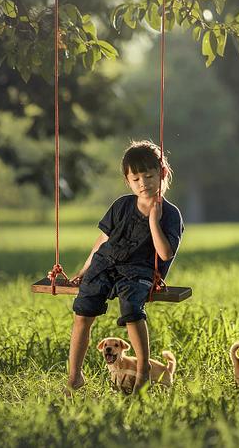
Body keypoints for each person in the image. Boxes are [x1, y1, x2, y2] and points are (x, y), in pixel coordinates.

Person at [66, 140, 184, 393]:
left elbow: (164, 253)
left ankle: (142, 371)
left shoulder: (170, 214)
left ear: (162, 173)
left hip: (141, 271)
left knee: (131, 307)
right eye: (136, 178)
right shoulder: (121, 206)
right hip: (106, 263)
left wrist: (154, 219)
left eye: (149, 176)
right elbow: (102, 242)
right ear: (128, 181)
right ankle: (74, 375)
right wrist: (84, 270)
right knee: (83, 310)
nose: (143, 183)